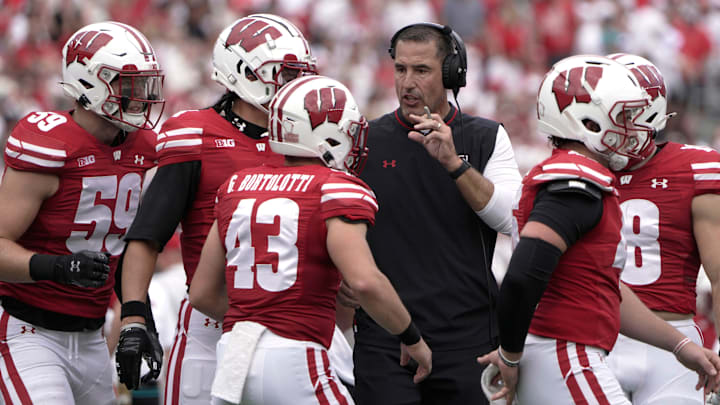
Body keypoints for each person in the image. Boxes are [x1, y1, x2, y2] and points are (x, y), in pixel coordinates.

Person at [477, 54, 720, 405]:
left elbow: (605, 285)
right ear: (587, 121)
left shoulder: (571, 175)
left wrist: (680, 345)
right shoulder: (575, 181)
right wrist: (510, 353)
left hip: (603, 342)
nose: (637, 129)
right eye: (623, 117)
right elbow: (522, 276)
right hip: (566, 346)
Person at [113, 14, 326, 404]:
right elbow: (147, 235)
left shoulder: (313, 138)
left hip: (293, 326)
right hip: (211, 327)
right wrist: (132, 317)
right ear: (242, 71)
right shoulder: (197, 134)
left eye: (298, 74)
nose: (293, 85)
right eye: (283, 73)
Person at [189, 75, 432, 405]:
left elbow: (202, 293)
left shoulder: (237, 185)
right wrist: (411, 337)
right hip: (296, 356)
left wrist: (259, 319)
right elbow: (364, 281)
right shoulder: (335, 187)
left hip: (235, 357)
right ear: (328, 135)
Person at [350, 23, 521, 405]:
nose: (408, 82)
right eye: (400, 69)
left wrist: (454, 165)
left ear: (450, 74)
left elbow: (510, 218)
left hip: (468, 338)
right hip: (387, 338)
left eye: (422, 70)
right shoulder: (364, 141)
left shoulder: (486, 136)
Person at [0, 21, 164, 404]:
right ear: (90, 83)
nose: (141, 97)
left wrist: (137, 321)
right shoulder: (52, 146)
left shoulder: (144, 148)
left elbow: (129, 248)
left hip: (92, 338)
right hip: (29, 331)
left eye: (145, 85)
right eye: (129, 85)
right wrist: (57, 267)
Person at [603, 53, 720, 404]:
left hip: (673, 347)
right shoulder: (573, 169)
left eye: (618, 111)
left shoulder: (696, 167)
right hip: (593, 338)